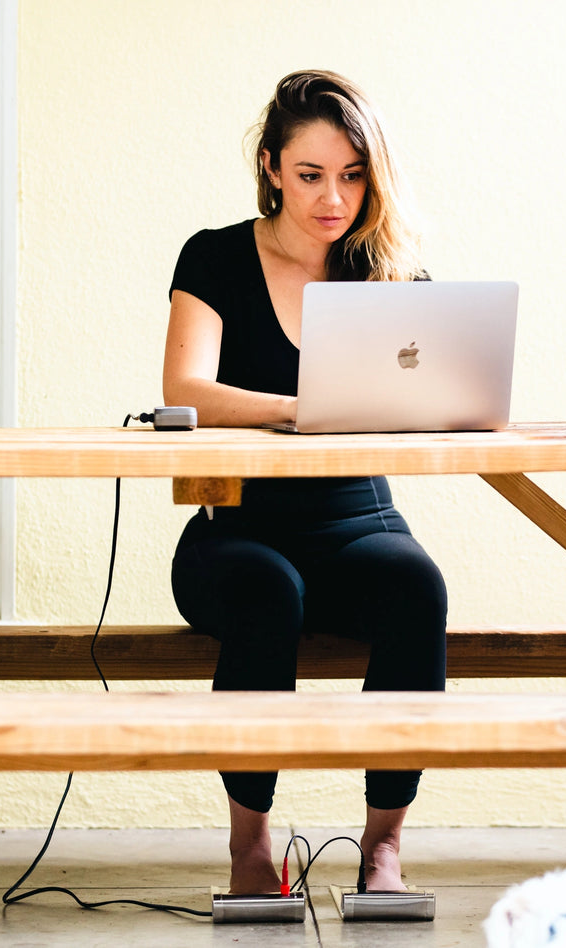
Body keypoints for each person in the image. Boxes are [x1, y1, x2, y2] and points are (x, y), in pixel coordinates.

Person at [163, 70, 448, 895]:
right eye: (312, 174)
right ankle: (251, 849)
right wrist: (301, 405)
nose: (334, 198)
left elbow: (426, 397)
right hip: (236, 530)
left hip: (358, 524)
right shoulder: (214, 254)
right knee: (267, 590)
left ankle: (384, 847)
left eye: (353, 176)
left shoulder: (388, 272)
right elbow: (187, 390)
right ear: (272, 168)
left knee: (416, 586)